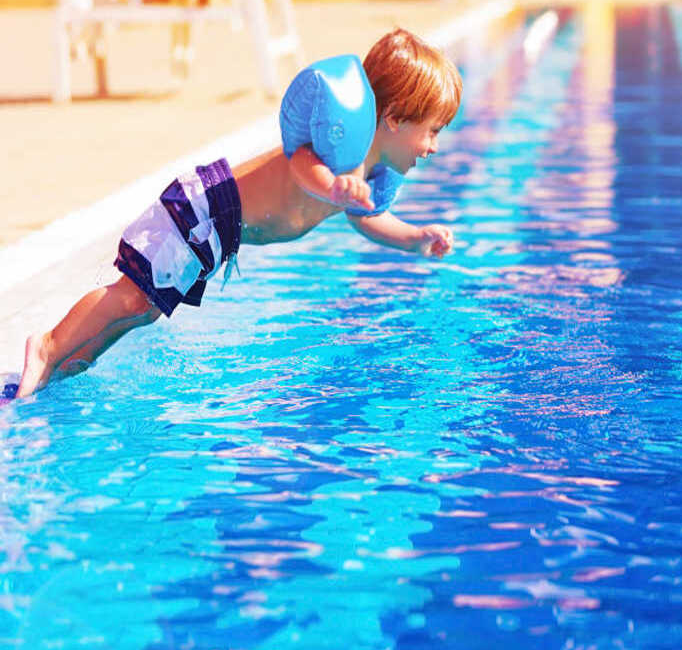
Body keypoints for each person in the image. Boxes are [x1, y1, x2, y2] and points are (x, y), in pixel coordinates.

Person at [15, 29, 463, 397]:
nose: (434, 147)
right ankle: (48, 346)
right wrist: (333, 186)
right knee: (132, 296)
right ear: (396, 119)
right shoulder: (334, 151)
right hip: (206, 206)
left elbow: (366, 216)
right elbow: (300, 166)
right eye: (432, 131)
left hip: (218, 233)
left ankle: (72, 360)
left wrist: (413, 237)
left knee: (145, 310)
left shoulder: (370, 174)